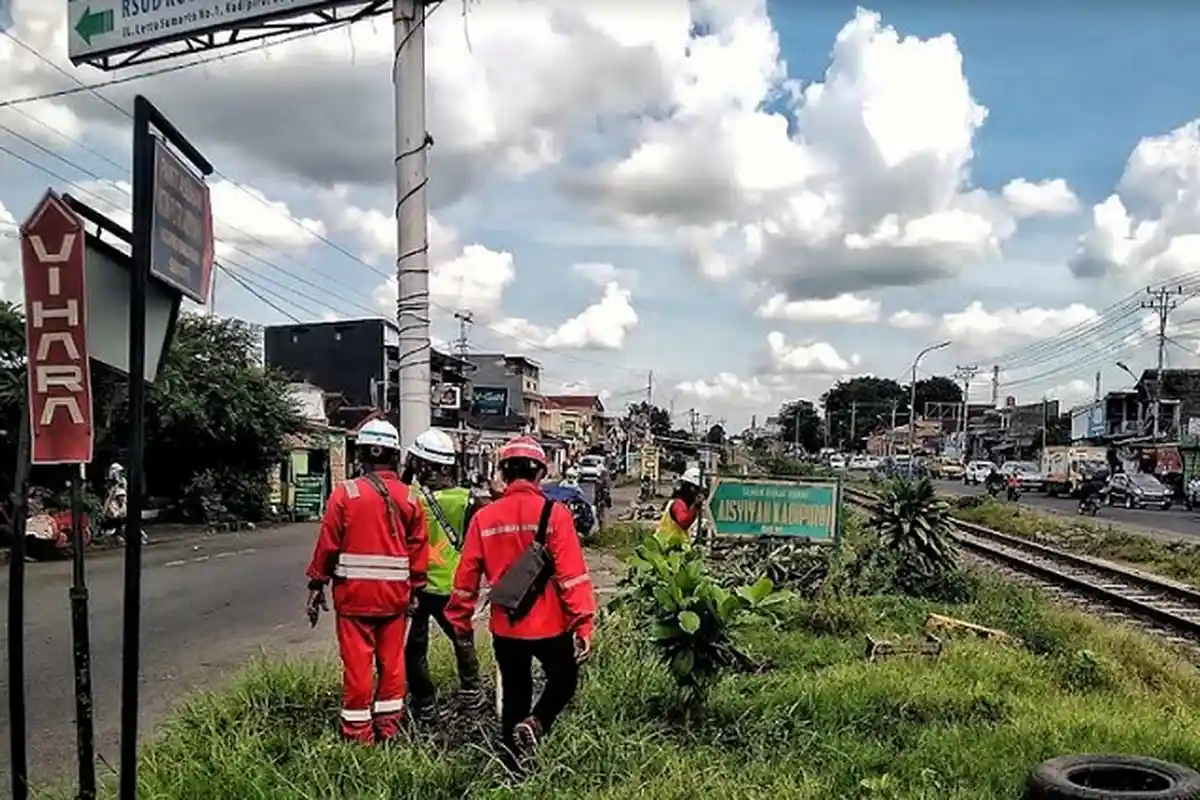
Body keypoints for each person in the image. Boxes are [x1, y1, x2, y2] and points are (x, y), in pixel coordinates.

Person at [445, 435, 596, 758]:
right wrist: (583, 623)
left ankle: (513, 767)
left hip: (506, 626)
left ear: (504, 473)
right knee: (565, 679)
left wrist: (460, 620)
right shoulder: (555, 515)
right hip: (550, 626)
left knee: (515, 691)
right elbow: (572, 577)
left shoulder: (484, 519)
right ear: (540, 473)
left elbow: (465, 578)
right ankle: (537, 723)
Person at [304, 418, 429, 744]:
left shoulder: (345, 494)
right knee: (392, 664)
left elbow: (327, 545)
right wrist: (415, 590)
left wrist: (316, 585)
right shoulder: (411, 499)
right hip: (394, 598)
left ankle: (358, 734)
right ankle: (389, 728)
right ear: (394, 456)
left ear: (361, 455)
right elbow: (419, 551)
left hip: (354, 598)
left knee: (358, 666)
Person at [402, 427, 486, 719]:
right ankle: (472, 696)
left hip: (418, 586)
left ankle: (424, 703)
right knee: (462, 641)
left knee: (415, 647)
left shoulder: (411, 500)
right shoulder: (468, 500)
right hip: (455, 586)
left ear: (422, 465)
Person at [656, 467, 704, 548]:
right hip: (665, 549)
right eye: (697, 490)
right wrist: (695, 506)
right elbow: (684, 522)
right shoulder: (679, 504)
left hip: (673, 549)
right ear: (691, 488)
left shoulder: (686, 505)